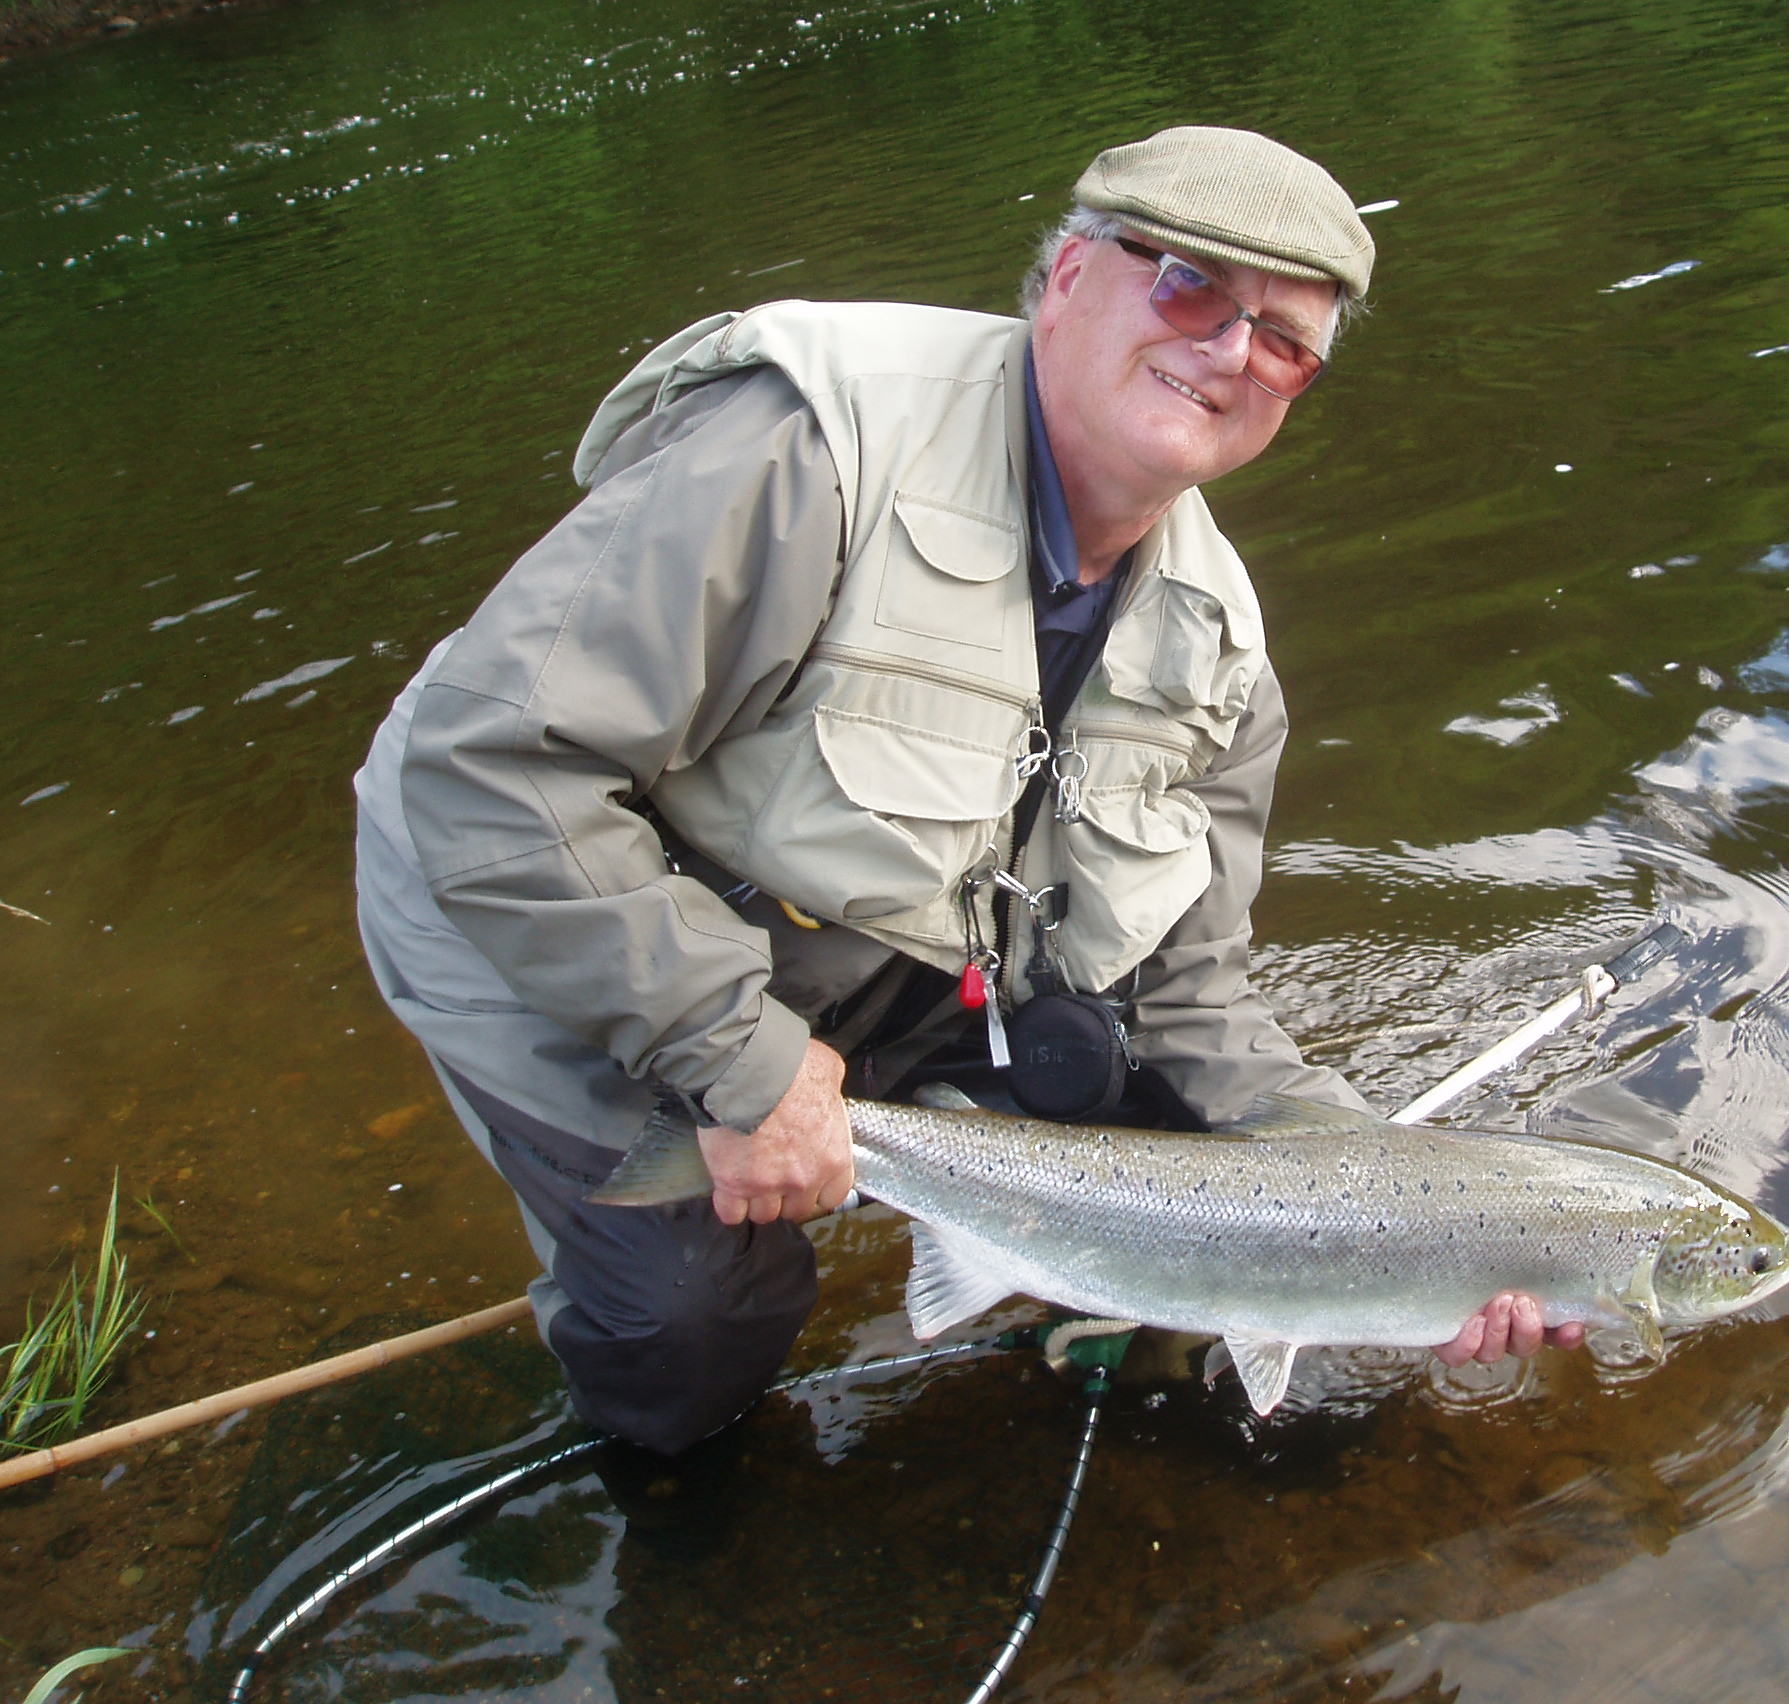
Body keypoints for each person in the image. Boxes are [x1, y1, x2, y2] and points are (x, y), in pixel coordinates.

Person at [354, 125, 1580, 1456]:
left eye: (1285, 341)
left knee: (1159, 1135)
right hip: (539, 903)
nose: (1232, 352)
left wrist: (1369, 1202)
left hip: (857, 942)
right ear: (1064, 280)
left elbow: (1185, 992)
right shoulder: (804, 457)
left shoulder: (1221, 655)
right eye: (1191, 290)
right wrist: (743, 1069)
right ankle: (663, 1485)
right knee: (697, 1323)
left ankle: (1093, 1307)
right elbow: (494, 771)